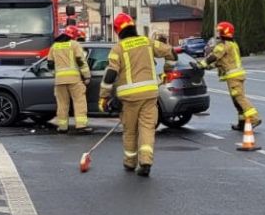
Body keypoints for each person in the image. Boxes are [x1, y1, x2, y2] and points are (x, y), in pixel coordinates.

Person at [98, 13, 175, 177]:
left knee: (130, 130)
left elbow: (111, 74)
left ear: (118, 30)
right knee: (147, 128)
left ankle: (130, 162)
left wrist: (104, 96)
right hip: (149, 94)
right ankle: (146, 161)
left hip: (129, 98)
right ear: (133, 26)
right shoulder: (147, 42)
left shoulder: (118, 49)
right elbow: (171, 53)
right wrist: (168, 71)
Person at [198, 21, 261, 131]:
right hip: (237, 76)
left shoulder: (223, 45)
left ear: (224, 32)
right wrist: (207, 67)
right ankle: (242, 123)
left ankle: (254, 119)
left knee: (240, 98)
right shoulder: (232, 44)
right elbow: (221, 61)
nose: (217, 33)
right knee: (236, 101)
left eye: (219, 31)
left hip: (233, 77)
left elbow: (213, 56)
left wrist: (201, 64)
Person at [47, 25, 92, 133]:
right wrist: (87, 76)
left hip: (59, 81)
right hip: (74, 80)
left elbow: (49, 64)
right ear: (74, 36)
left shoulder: (54, 46)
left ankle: (62, 127)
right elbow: (81, 61)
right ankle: (81, 126)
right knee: (79, 102)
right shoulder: (74, 45)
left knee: (62, 104)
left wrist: (56, 74)